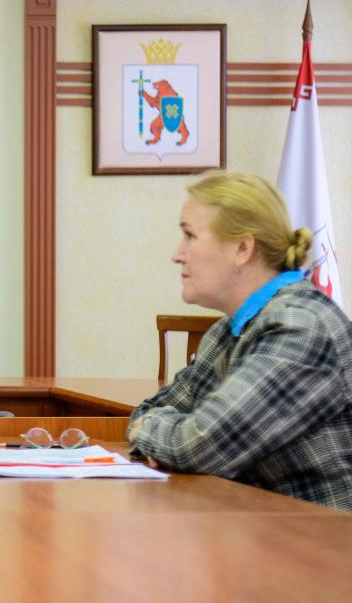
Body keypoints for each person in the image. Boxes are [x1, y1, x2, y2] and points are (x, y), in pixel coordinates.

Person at [128, 172, 352, 510]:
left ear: (242, 249)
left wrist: (150, 432)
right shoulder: (228, 330)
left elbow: (200, 445)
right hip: (258, 528)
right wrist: (158, 430)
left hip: (321, 538)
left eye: (190, 235)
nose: (177, 254)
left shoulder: (301, 327)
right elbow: (149, 412)